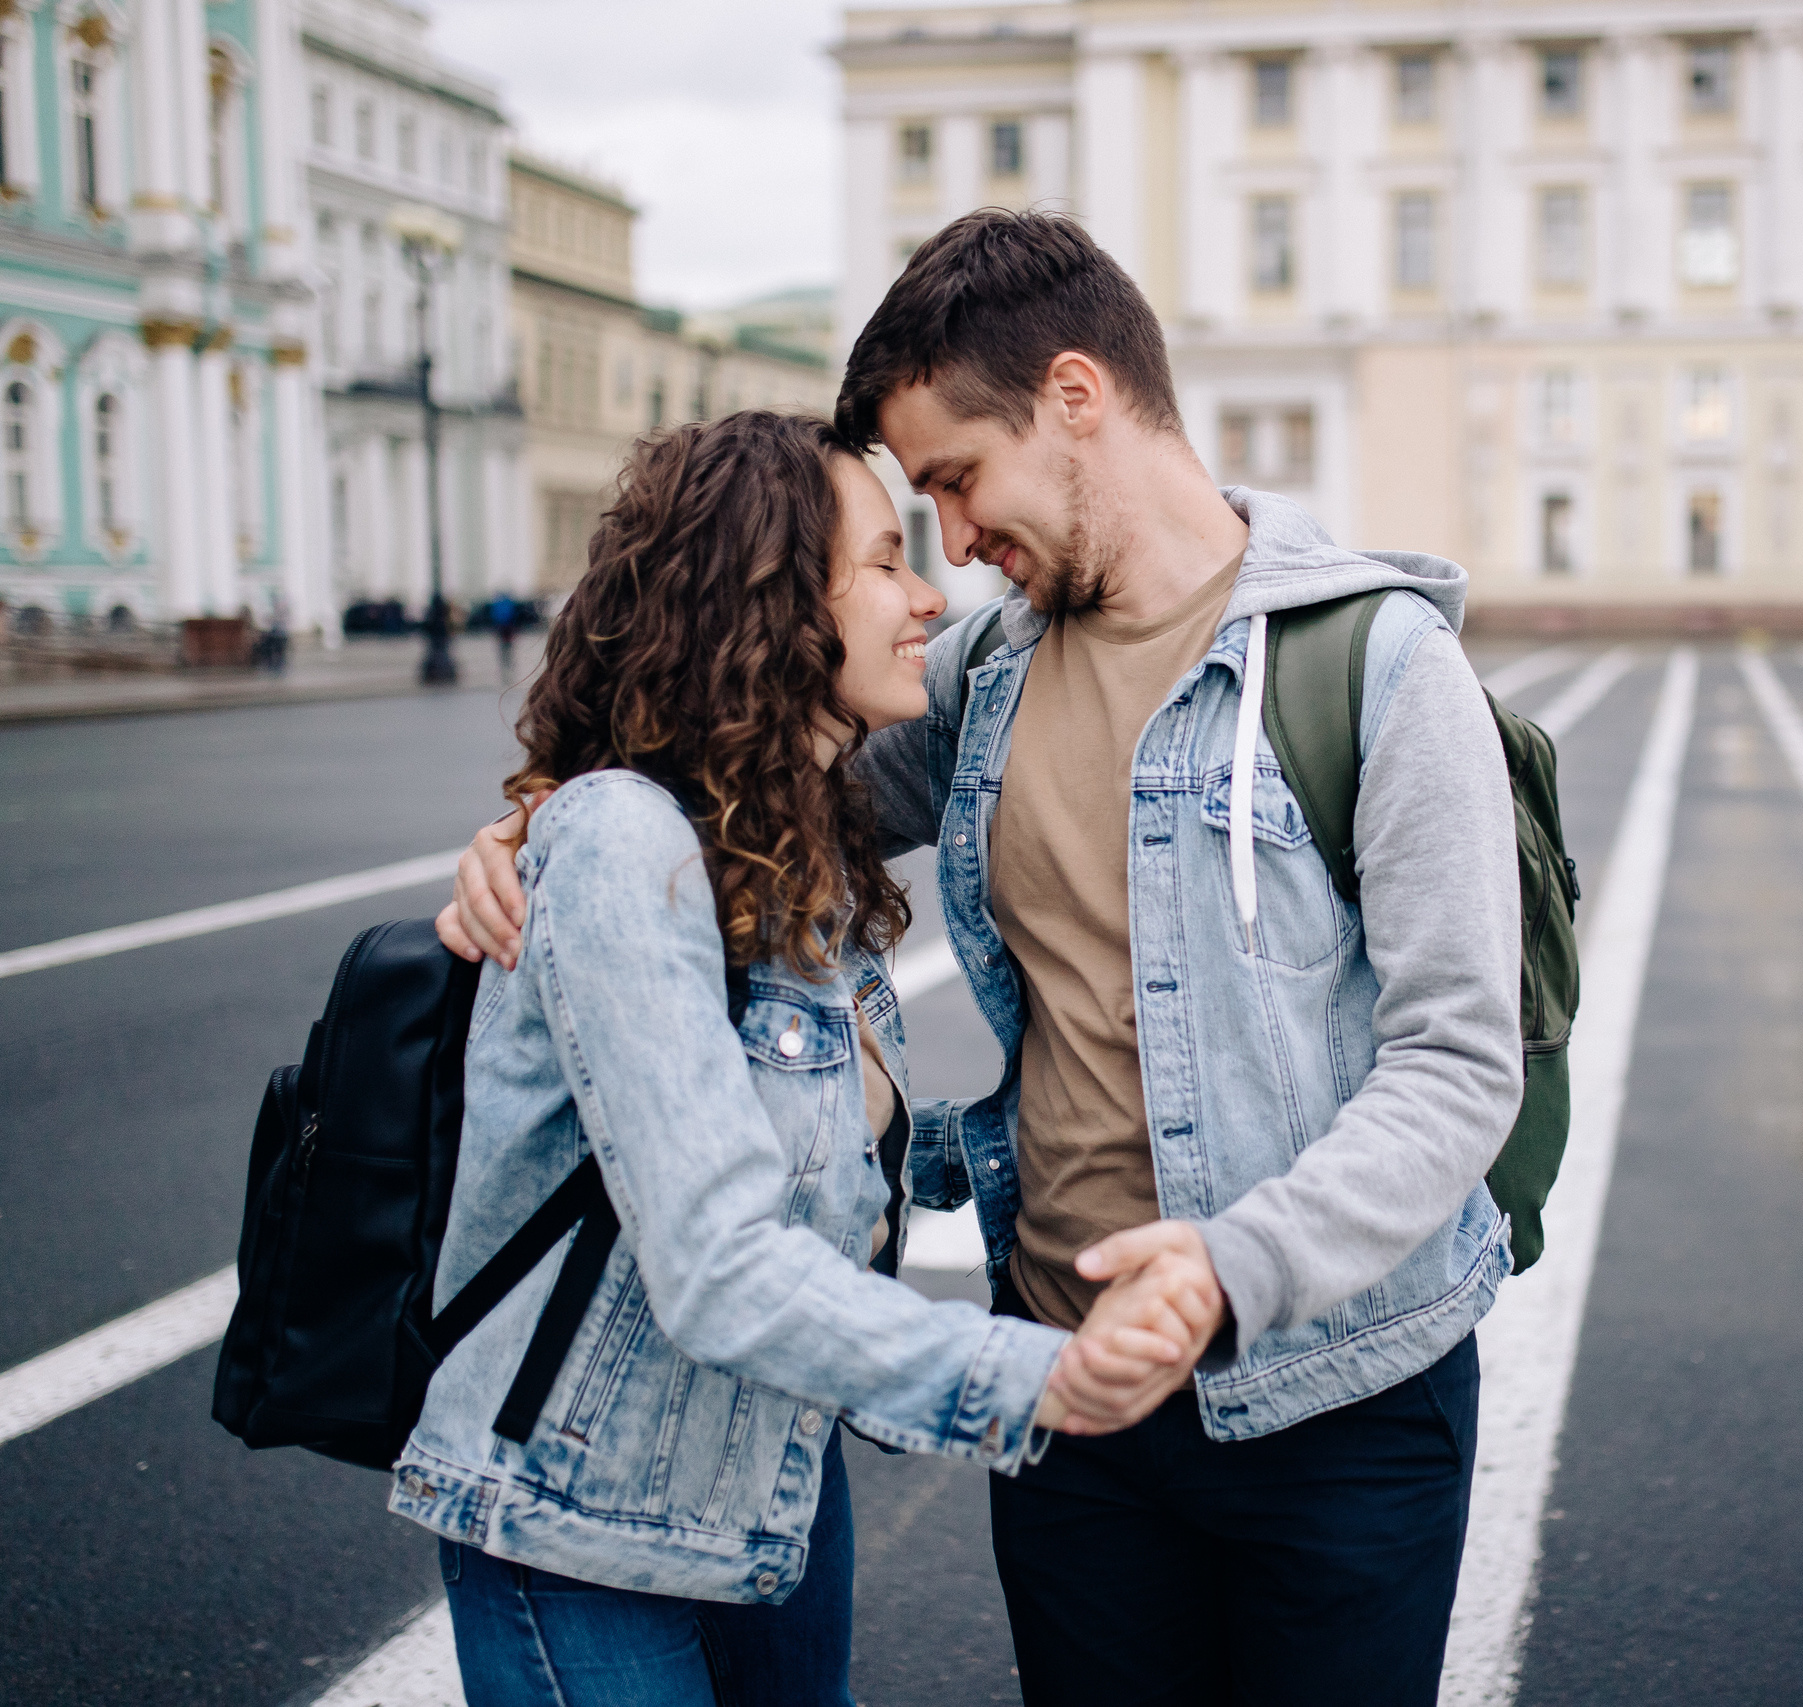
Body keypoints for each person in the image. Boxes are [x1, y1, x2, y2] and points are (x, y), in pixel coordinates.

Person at [442, 209, 1524, 1705]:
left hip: (1337, 1386)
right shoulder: (992, 670)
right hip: (1071, 1385)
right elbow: (737, 779)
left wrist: (1232, 1265)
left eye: (955, 479)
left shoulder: (1381, 665)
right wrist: (537, 828)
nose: (950, 549)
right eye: (914, 521)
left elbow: (1461, 1064)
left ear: (1074, 397)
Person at [404, 408, 1220, 1707]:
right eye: (888, 558)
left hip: (769, 1490)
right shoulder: (626, 842)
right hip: (581, 1513)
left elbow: (828, 1153)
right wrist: (1038, 1377)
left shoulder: (796, 845)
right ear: (774, 598)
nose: (927, 593)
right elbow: (721, 1262)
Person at [488, 590, 520, 677]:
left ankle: (505, 663)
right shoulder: (509, 604)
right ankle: (509, 663)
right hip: (508, 628)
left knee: (503, 648)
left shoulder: (497, 604)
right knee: (509, 647)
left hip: (501, 628)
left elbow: (493, 616)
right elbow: (514, 616)